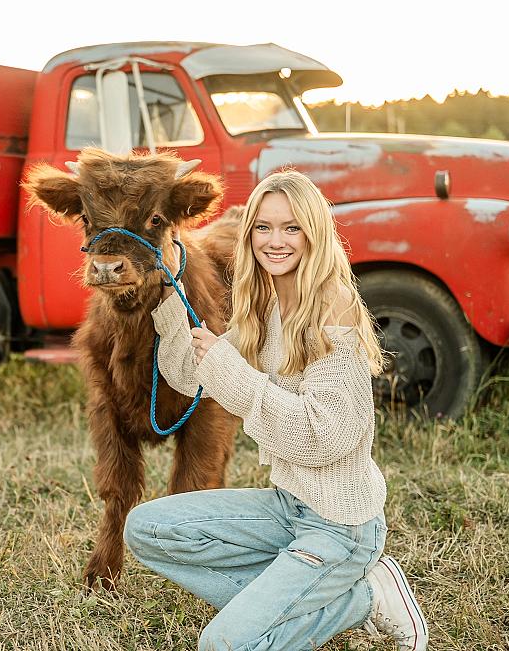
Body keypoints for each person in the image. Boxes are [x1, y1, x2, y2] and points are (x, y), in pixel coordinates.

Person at [123, 170, 429, 651]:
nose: (276, 241)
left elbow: (326, 437)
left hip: (341, 526)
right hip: (288, 508)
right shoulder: (266, 308)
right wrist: (168, 290)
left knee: (223, 645)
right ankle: (294, 599)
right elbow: (186, 375)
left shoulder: (333, 308)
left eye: (291, 227)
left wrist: (236, 376)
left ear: (314, 233)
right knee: (146, 528)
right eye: (263, 227)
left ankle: (364, 597)